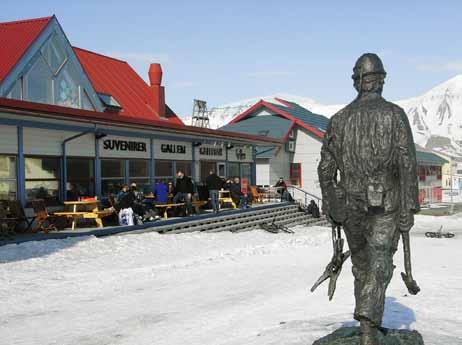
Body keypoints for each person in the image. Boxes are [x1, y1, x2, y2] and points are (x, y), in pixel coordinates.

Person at [318, 53, 419, 345]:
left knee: (364, 264)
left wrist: (332, 203)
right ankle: (367, 328)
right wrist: (409, 205)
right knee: (376, 264)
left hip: (350, 205)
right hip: (384, 204)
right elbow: (406, 163)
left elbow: (326, 169)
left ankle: (367, 327)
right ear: (379, 82)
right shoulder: (394, 115)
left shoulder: (337, 120)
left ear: (357, 83)